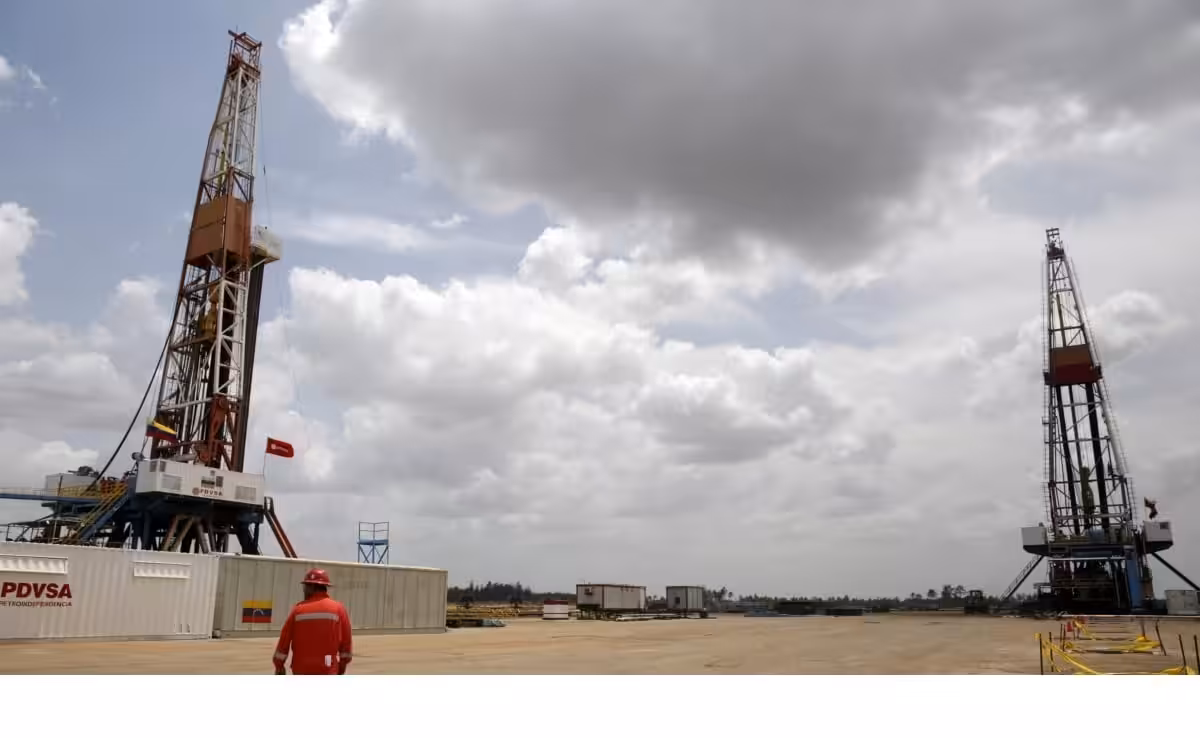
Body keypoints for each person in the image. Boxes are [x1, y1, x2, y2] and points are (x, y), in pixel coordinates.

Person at [272, 568, 354, 675]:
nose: (304, 590)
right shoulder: (338, 609)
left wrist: (279, 666)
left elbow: (284, 641)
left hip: (301, 669)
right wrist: (341, 667)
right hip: (328, 669)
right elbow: (346, 643)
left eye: (306, 586)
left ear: (313, 587)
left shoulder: (298, 610)